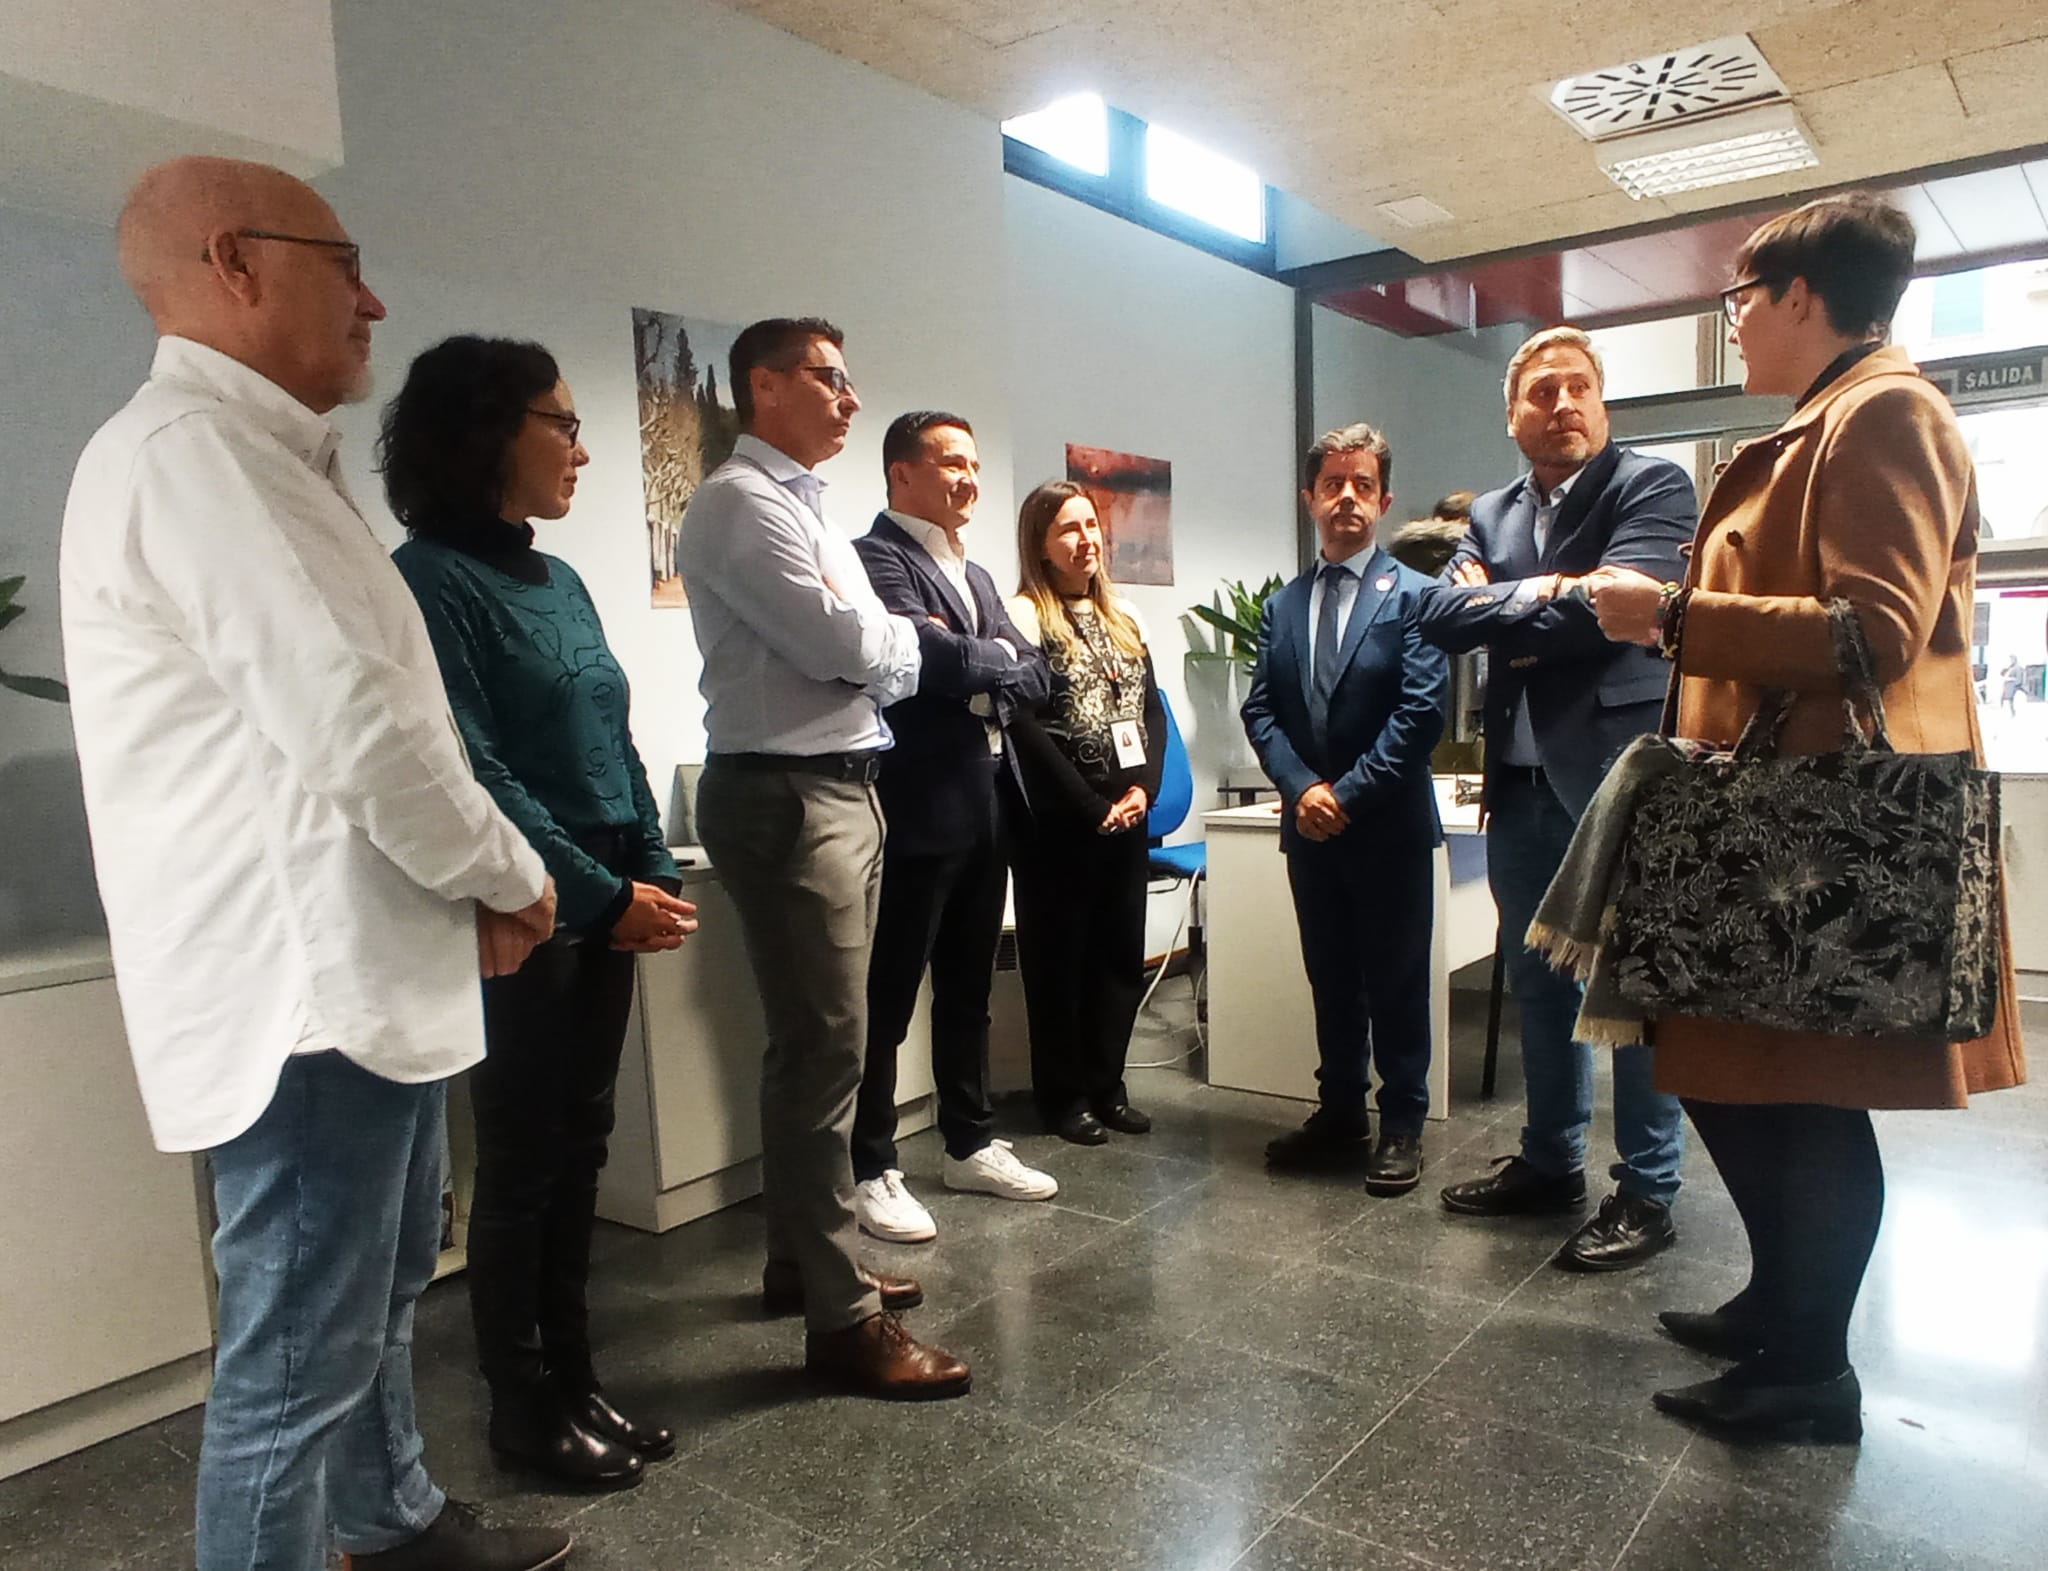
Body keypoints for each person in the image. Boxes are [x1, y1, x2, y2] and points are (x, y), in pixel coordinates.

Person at [59, 158, 571, 1571]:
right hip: (300, 999)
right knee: (292, 1357)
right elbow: (351, 721)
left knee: (381, 1284)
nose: (374, 298)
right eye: (342, 263)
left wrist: (477, 869)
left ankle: (390, 1518)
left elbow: (390, 719)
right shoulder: (190, 459)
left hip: (361, 975)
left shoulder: (276, 462)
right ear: (234, 261)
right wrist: (510, 874)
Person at [1587, 193, 2026, 1441]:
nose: (1729, 322)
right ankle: (1780, 1302)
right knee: (1737, 1081)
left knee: (1804, 1099)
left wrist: (1667, 616)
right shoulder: (1828, 416)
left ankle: (1810, 1370)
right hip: (1770, 831)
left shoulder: (1883, 411)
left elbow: (1868, 634)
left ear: (1794, 297)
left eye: (1736, 297)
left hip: (1816, 844)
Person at [384, 337, 699, 1488]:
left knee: (581, 1146)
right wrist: (602, 892)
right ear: (484, 431)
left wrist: (650, 860)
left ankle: (576, 1377)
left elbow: (610, 735)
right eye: (559, 423)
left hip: (606, 887)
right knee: (521, 1161)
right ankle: (522, 1405)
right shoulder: (426, 578)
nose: (579, 447)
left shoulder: (556, 577)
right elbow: (478, 764)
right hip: (530, 902)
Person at [675, 318, 969, 1398]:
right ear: (763, 384)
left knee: (816, 1049)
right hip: (790, 795)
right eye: (828, 378)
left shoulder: (804, 506)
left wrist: (884, 642)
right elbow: (855, 645)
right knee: (826, 1051)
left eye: (851, 379)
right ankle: (840, 1321)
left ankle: (805, 1258)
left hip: (841, 787)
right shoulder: (738, 503)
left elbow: (880, 643)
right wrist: (890, 643)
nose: (849, 398)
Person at [1415, 326, 1697, 1271]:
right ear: (1512, 415)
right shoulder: (1490, 512)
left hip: (1620, 774)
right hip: (1521, 782)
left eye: (1579, 388)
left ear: (1603, 402)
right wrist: (1550, 592)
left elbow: (1615, 607)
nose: (1562, 405)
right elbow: (1444, 617)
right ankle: (1550, 1161)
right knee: (1537, 977)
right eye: (1542, 393)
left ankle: (1649, 1188)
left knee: (1631, 985)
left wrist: (1515, 601)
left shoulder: (1651, 486)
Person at [848, 413, 1056, 1243]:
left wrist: (985, 665)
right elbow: (929, 664)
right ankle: (870, 1162)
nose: (969, 478)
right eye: (950, 463)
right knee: (890, 993)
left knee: (969, 989)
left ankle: (968, 1140)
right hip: (917, 806)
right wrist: (991, 661)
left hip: (988, 802)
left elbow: (1031, 672)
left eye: (974, 463)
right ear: (902, 473)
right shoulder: (876, 559)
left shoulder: (968, 571)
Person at [1241, 425, 1449, 1194]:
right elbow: (1261, 711)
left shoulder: (1418, 598)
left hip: (1386, 825)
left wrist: (1346, 794)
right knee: (1330, 976)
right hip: (1312, 832)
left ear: (1385, 500)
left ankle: (1402, 1123)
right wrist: (1303, 790)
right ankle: (1339, 1113)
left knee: (1396, 980)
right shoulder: (1282, 605)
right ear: (1310, 498)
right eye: (1333, 484)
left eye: (1363, 485)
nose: (1348, 498)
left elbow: (1421, 714)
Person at [1006, 481, 1167, 1145]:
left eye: (1091, 525)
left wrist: (1143, 792)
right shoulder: (1019, 617)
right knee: (1060, 963)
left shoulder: (1125, 617)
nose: (1086, 540)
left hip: (1126, 819)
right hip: (1058, 823)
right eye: (1067, 529)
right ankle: (1064, 1095)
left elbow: (1151, 712)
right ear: (1040, 546)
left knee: (1118, 959)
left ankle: (1109, 1084)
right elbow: (1024, 725)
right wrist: (1087, 803)